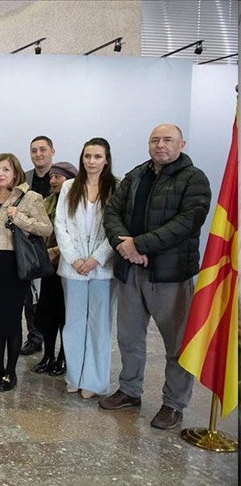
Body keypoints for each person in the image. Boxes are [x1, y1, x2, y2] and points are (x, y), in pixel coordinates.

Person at [100, 124, 211, 429]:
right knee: (129, 338)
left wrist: (140, 244)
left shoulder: (194, 179)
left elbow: (187, 222)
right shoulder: (136, 175)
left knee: (177, 345)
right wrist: (125, 245)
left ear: (181, 144)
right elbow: (112, 213)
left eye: (167, 140)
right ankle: (129, 390)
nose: (160, 145)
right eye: (155, 140)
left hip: (170, 276)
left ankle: (174, 404)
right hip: (131, 271)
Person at [0, 153, 52, 392]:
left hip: (13, 264)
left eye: (6, 169)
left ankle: (10, 372)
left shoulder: (31, 197)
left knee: (11, 320)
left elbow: (46, 229)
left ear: (16, 172)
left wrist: (20, 218)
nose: (1, 174)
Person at [54, 139, 117, 399]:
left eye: (97, 156)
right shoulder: (70, 186)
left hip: (103, 267)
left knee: (99, 324)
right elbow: (60, 225)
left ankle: (94, 381)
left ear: (106, 160)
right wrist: (74, 258)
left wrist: (97, 258)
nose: (92, 161)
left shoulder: (116, 187)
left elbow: (118, 227)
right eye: (88, 156)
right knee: (74, 322)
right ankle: (74, 376)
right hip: (73, 267)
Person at [33, 161, 78, 376]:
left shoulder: (77, 203)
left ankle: (63, 357)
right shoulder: (47, 202)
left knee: (64, 315)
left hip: (70, 267)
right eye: (51, 177)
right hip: (49, 268)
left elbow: (77, 235)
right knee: (47, 314)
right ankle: (48, 355)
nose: (52, 181)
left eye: (58, 177)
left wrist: (57, 251)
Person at [20, 135, 56, 356]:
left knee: (51, 297)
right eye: (34, 150)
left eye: (43, 150)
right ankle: (34, 337)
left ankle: (53, 344)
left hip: (54, 247)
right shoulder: (24, 180)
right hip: (30, 245)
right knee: (29, 296)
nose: (38, 154)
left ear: (52, 151)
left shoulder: (63, 179)